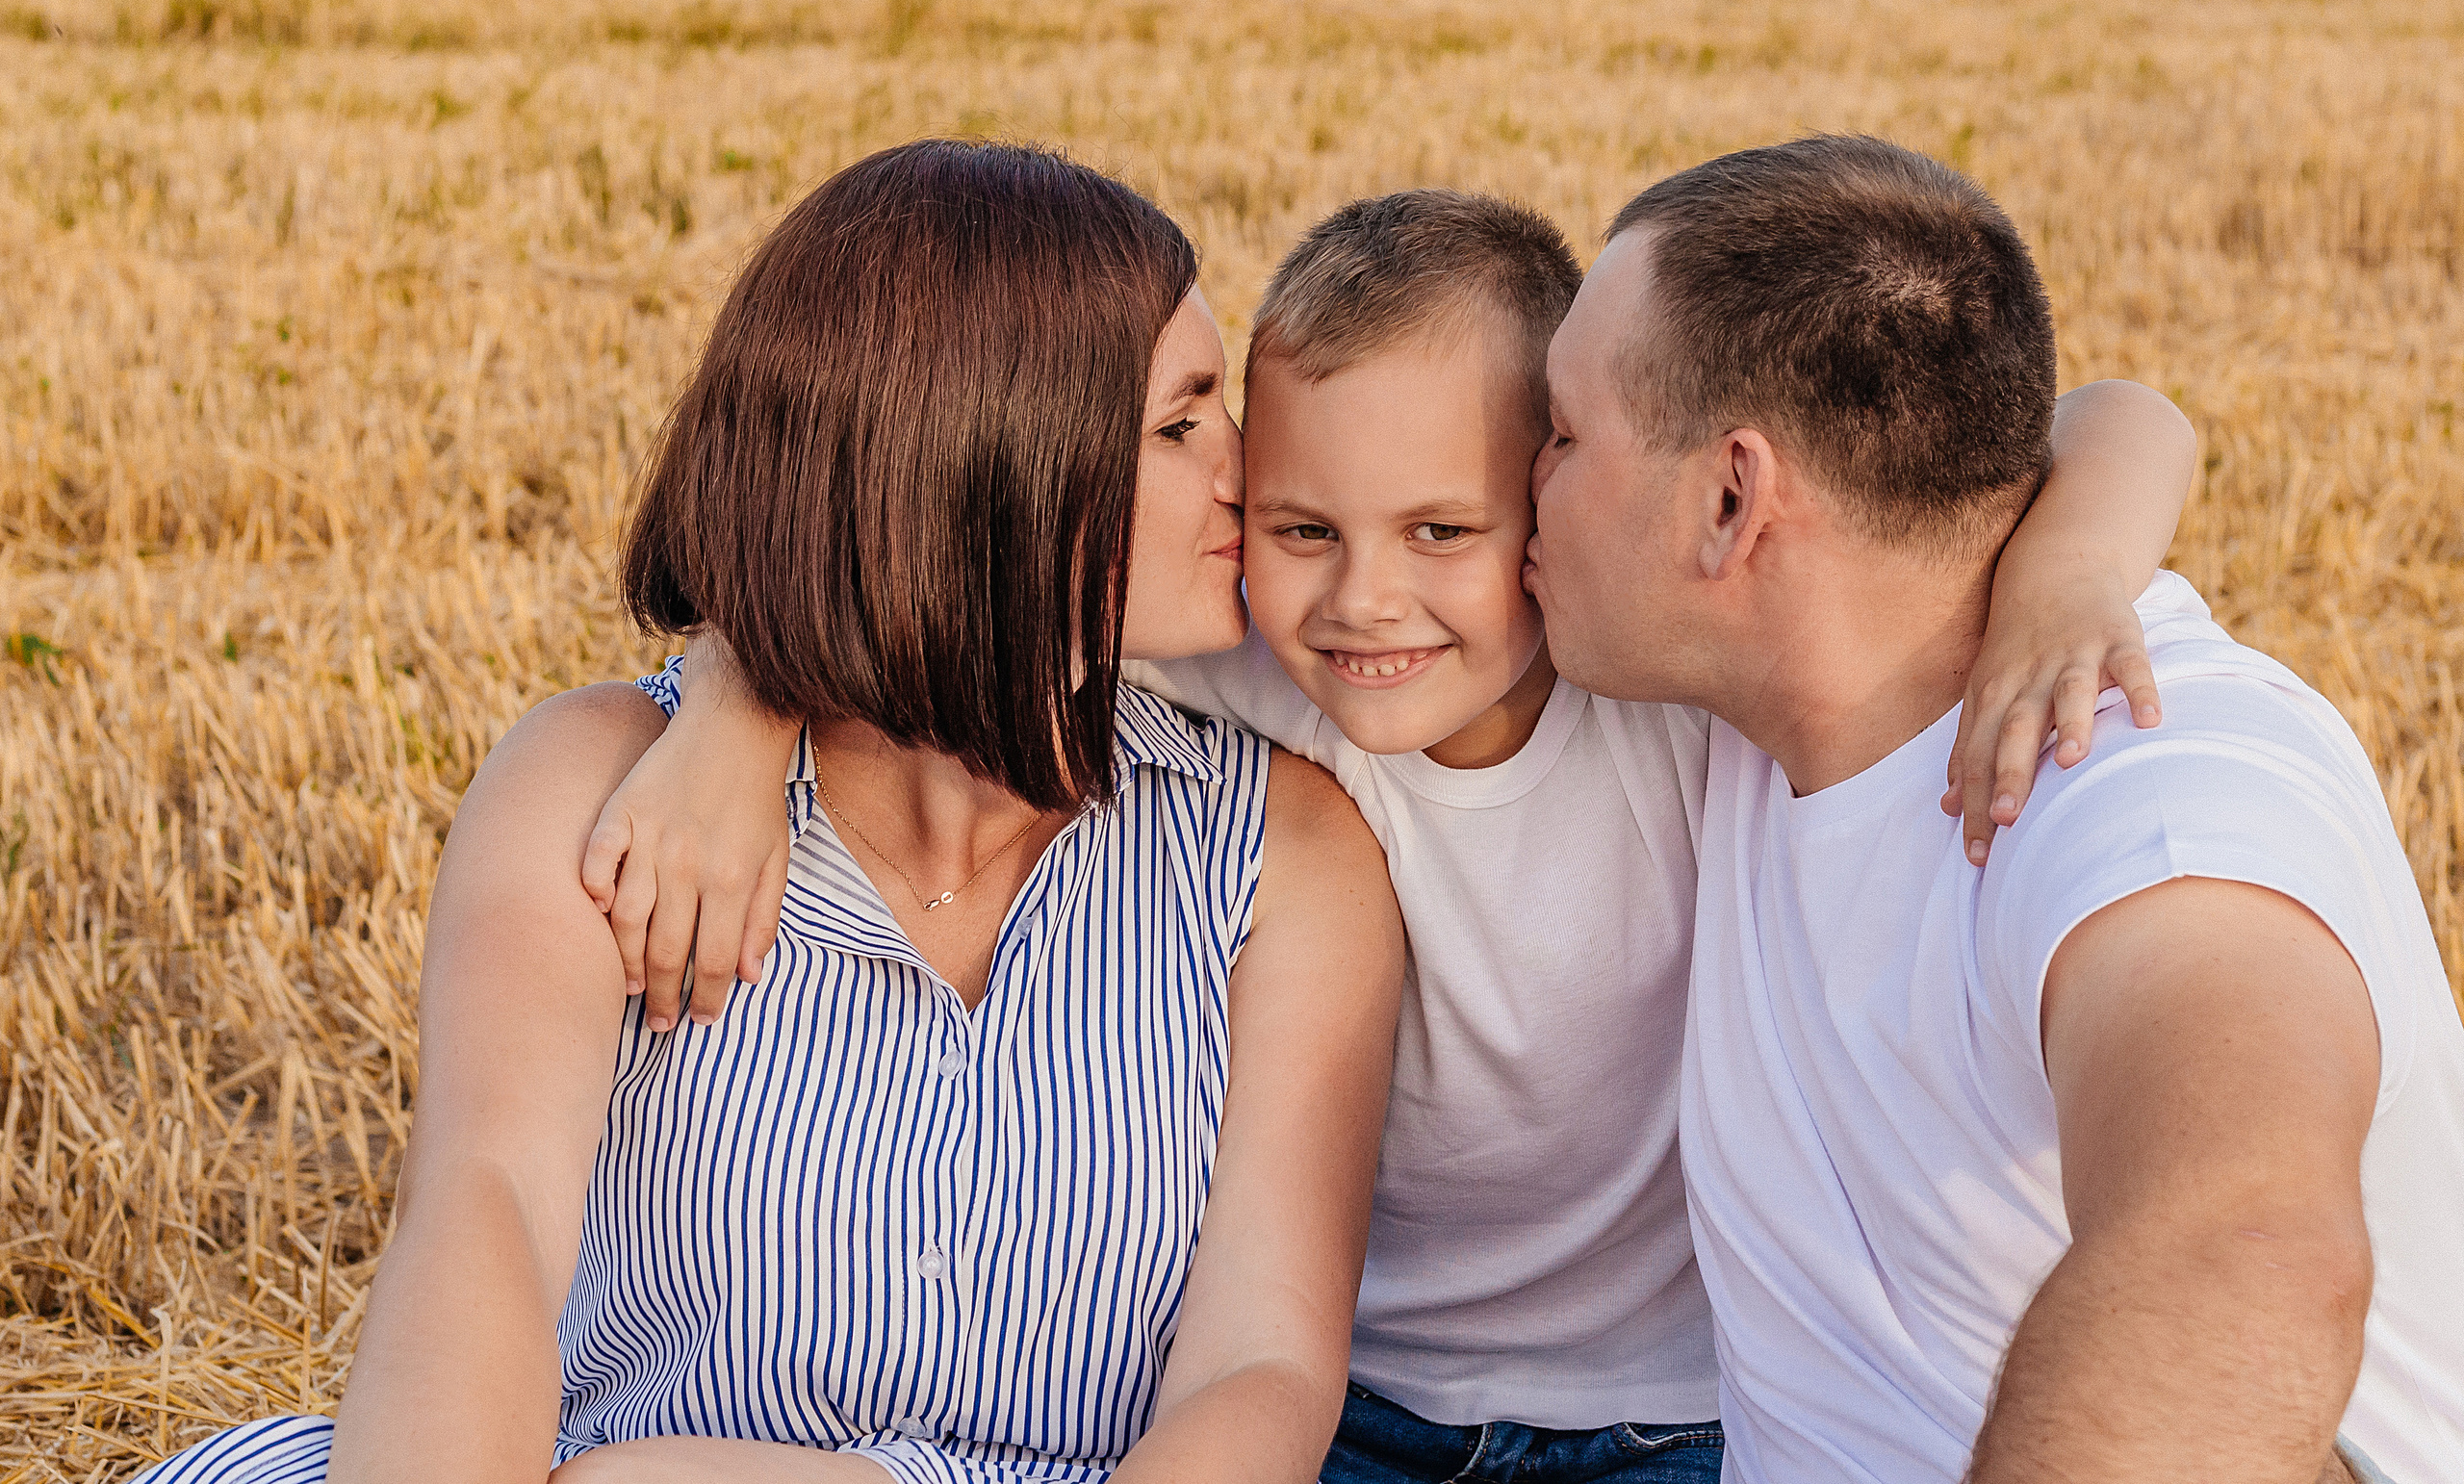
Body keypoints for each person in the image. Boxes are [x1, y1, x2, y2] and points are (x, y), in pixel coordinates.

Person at [590, 186, 2199, 1484]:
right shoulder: (1253, 656)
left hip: (1674, 1416)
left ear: (1564, 494)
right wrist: (739, 697)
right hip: (1347, 1404)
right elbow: (935, 551)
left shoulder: (1665, 687)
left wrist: (2067, 582)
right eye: (1301, 527)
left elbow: (2121, 416)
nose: (1363, 599)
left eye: (1445, 531)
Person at [134, 140, 1406, 1484]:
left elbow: (1261, 1364)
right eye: (1181, 421)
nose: (1247, 471)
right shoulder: (602, 790)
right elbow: (486, 1215)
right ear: (977, 460)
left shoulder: (1281, 853)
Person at [1527, 133, 2464, 1484]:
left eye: (1562, 433)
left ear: (1732, 501)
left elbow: (2242, 1252)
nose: (1522, 482)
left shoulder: (2146, 777)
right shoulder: (1746, 711)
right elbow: (2108, 413)